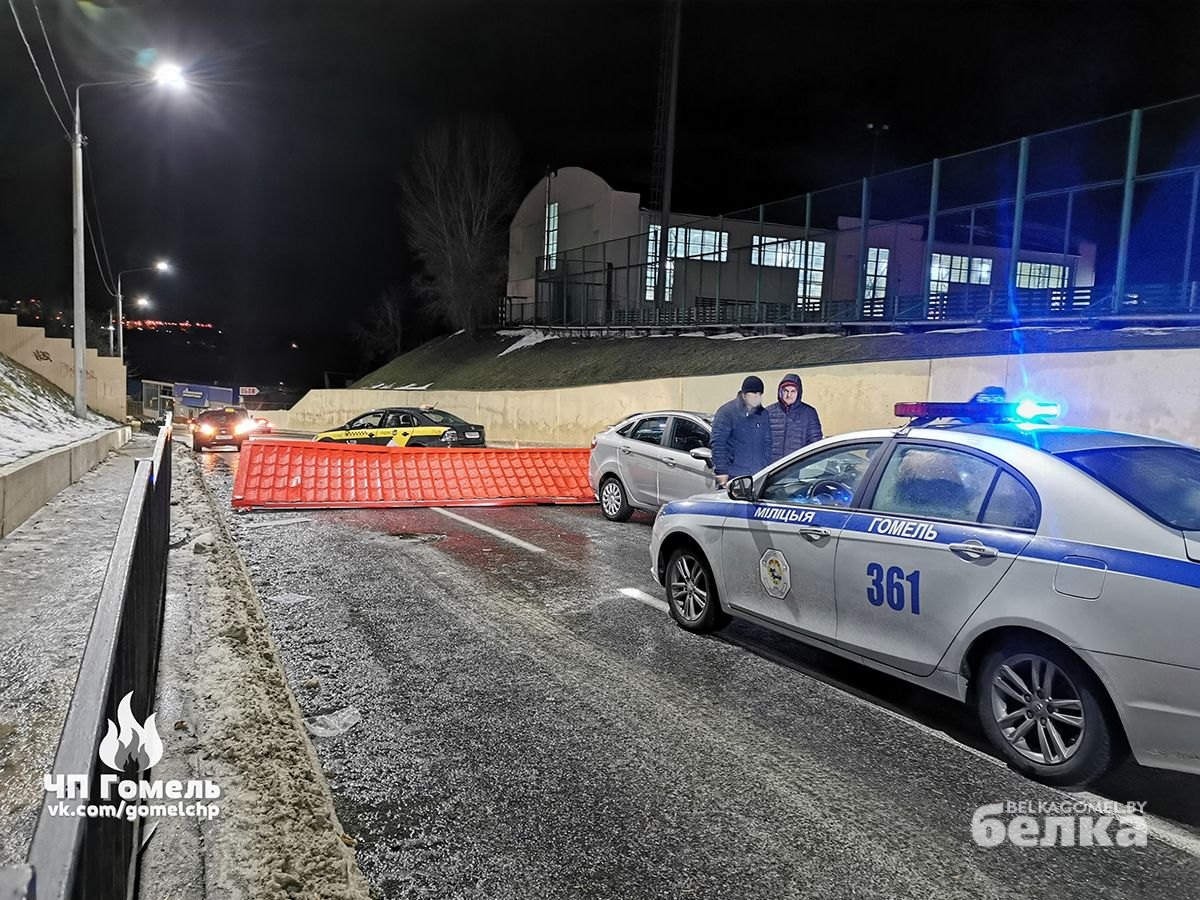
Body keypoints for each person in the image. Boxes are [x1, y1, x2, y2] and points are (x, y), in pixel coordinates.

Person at [711, 375, 773, 486]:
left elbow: (767, 442)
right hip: (734, 475)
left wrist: (765, 466)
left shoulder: (763, 414)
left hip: (757, 475)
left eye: (759, 394)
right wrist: (721, 471)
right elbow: (718, 442)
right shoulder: (727, 412)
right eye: (753, 394)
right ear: (744, 394)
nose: (757, 397)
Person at [766, 373, 823, 463]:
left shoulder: (809, 413)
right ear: (780, 391)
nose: (789, 395)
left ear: (798, 393)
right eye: (786, 391)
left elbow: (814, 443)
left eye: (793, 391)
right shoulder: (768, 412)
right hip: (771, 469)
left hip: (796, 469)